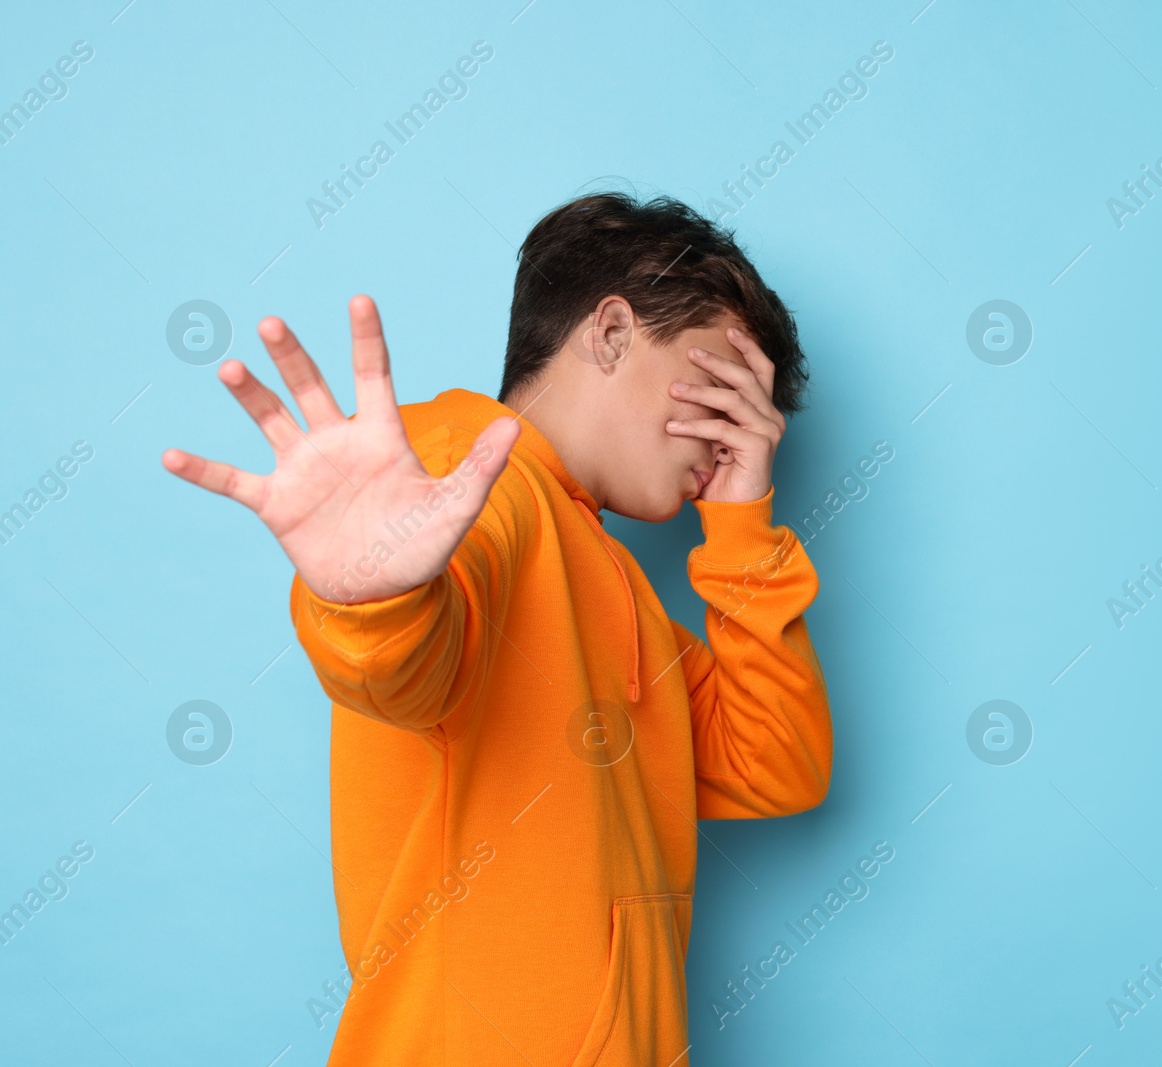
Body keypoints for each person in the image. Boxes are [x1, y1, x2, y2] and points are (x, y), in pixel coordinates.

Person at [162, 192, 833, 1065]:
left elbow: (774, 762)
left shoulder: (611, 576)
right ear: (612, 331)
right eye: (725, 380)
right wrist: (374, 593)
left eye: (757, 405)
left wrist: (743, 523)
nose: (747, 424)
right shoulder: (474, 469)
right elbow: (405, 660)